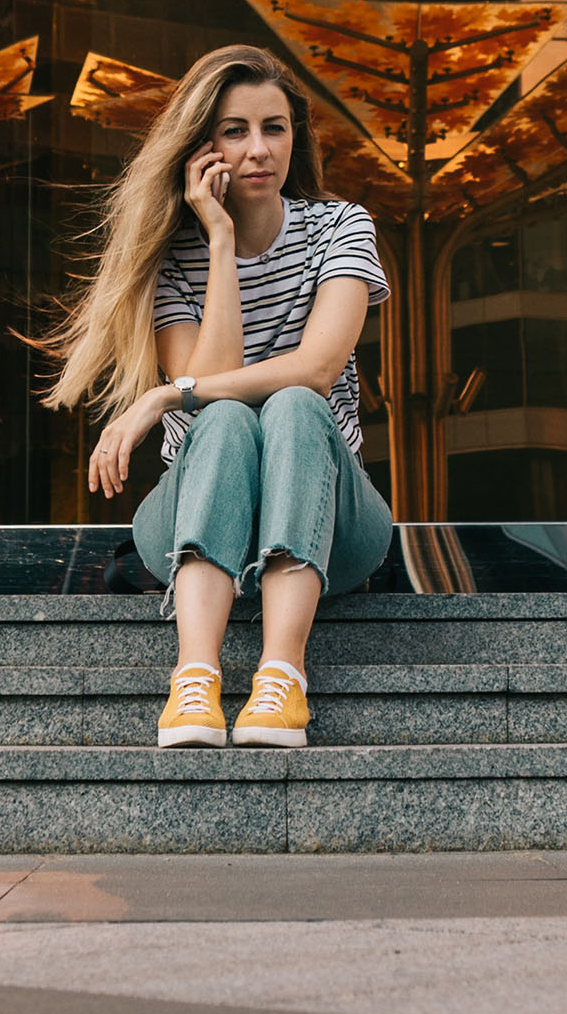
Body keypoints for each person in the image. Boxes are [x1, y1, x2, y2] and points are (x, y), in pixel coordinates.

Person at [46, 43, 393, 747]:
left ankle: (280, 679)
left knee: (296, 404)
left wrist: (162, 398)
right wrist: (221, 242)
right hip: (193, 516)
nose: (259, 149)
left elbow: (319, 367)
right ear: (202, 146)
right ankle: (195, 678)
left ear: (297, 137)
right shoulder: (175, 258)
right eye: (235, 131)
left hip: (337, 520)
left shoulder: (341, 228)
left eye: (275, 127)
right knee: (231, 414)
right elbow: (209, 394)